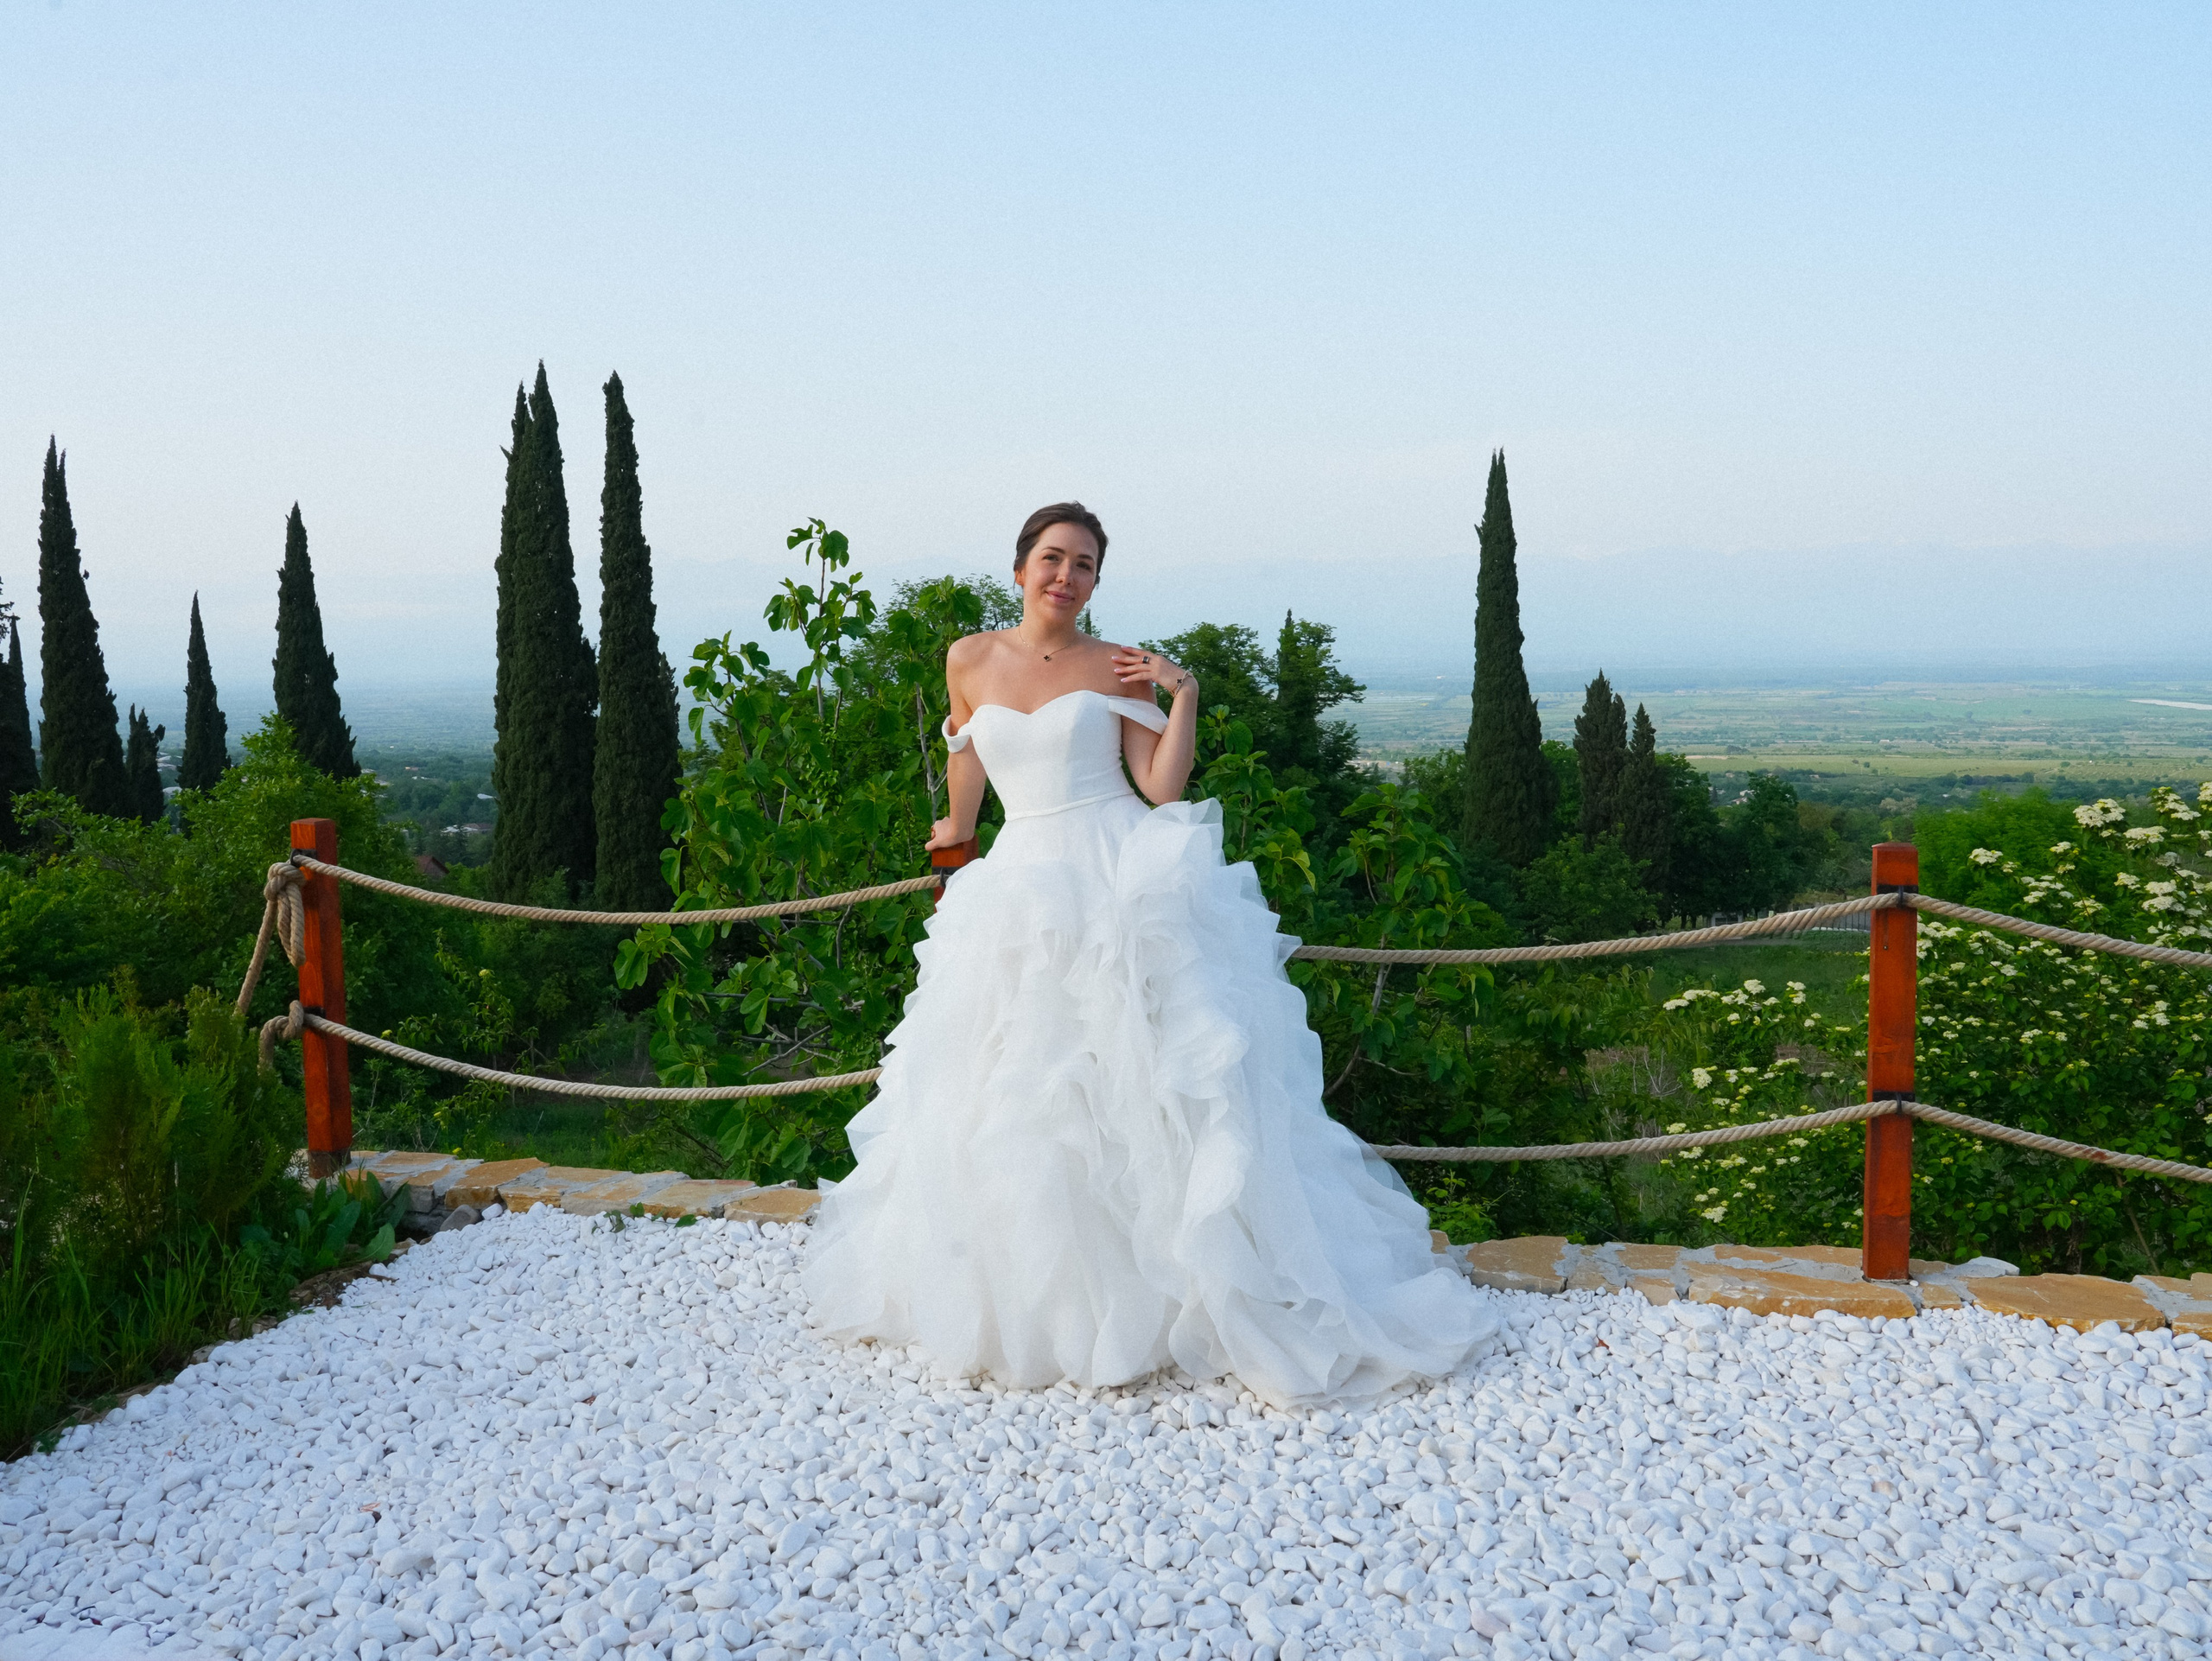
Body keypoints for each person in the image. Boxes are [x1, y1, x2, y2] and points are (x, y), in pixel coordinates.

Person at [802, 502, 1497, 1406]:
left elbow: (1160, 785)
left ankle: (1173, 1294)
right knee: (1018, 1087)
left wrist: (1184, 696)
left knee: (1145, 1082)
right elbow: (967, 754)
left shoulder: (1115, 662)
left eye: (1084, 564)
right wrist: (953, 845)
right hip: (1017, 884)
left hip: (1116, 873)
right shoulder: (968, 657)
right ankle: (1039, 1301)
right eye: (1052, 558)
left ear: (1095, 580)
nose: (1066, 575)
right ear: (1019, 568)